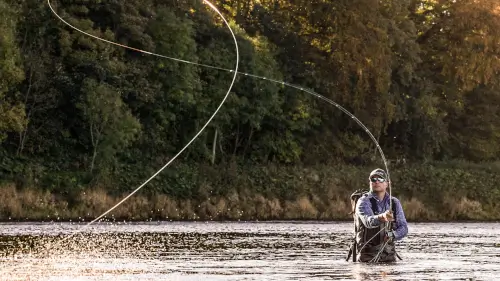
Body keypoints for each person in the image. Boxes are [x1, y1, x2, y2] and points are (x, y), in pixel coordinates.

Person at [352, 168, 408, 262]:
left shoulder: (394, 202)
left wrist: (392, 234)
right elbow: (368, 221)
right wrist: (383, 217)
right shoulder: (363, 201)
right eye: (373, 179)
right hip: (367, 256)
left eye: (381, 179)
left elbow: (403, 228)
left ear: (387, 183)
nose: (377, 182)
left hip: (389, 255)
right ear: (370, 182)